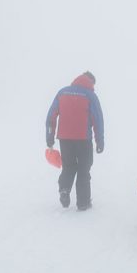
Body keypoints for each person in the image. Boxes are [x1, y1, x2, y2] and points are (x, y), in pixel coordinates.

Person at [45, 71, 104, 211]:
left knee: (69, 166)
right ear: (91, 82)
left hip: (65, 139)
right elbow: (98, 120)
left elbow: (51, 116)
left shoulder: (62, 92)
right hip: (84, 139)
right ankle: (83, 203)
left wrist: (50, 136)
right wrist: (100, 141)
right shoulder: (90, 95)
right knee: (84, 169)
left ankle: (64, 189)